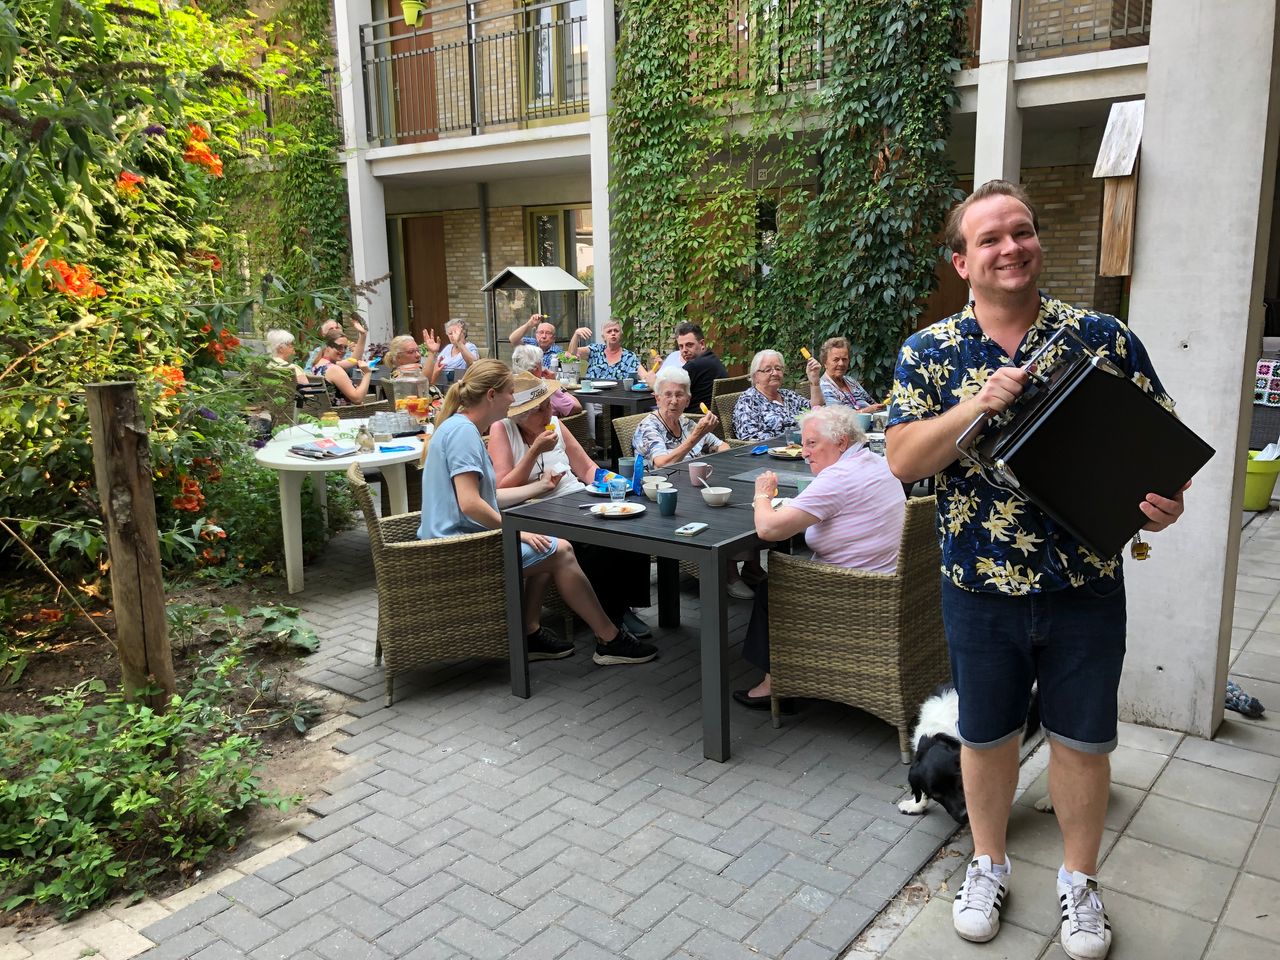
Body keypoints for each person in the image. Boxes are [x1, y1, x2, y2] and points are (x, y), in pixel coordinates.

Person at [884, 179, 1187, 960]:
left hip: (1085, 586)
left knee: (1084, 742)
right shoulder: (930, 352)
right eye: (989, 239)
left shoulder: (1102, 337)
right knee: (986, 739)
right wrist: (975, 407)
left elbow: (1162, 446)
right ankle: (987, 865)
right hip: (978, 588)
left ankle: (1080, 885)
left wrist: (1163, 501)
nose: (1010, 247)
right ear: (962, 261)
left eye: (1021, 231)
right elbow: (902, 459)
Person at [419, 359, 657, 665]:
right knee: (561, 551)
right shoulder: (465, 433)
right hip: (459, 546)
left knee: (548, 544)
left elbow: (483, 498)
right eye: (509, 392)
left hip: (450, 537)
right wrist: (518, 531)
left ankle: (531, 633)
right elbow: (470, 503)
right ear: (491, 395)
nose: (512, 399)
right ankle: (609, 638)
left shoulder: (457, 427)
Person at [735, 405, 905, 707]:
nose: (804, 452)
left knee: (771, 588)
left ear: (841, 442)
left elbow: (768, 529)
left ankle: (778, 685)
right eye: (803, 444)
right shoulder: (877, 461)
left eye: (812, 443)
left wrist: (763, 493)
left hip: (855, 593)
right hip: (891, 582)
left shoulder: (839, 477)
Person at [488, 370, 653, 639]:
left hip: (577, 498)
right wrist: (534, 452)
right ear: (519, 416)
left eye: (548, 404)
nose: (549, 412)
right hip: (541, 510)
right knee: (596, 541)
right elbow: (502, 487)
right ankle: (613, 614)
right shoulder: (502, 430)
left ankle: (625, 606)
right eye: (539, 409)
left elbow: (587, 468)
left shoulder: (554, 423)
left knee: (633, 522)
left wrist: (620, 484)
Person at [632, 367, 759, 598]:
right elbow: (662, 464)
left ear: (688, 399)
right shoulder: (649, 426)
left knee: (743, 499)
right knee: (721, 510)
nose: (673, 400)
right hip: (661, 498)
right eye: (667, 394)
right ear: (657, 397)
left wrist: (705, 445)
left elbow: (724, 447)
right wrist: (694, 439)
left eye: (679, 395)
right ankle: (730, 574)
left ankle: (751, 566)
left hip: (692, 489)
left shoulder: (688, 423)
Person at [732, 349, 824, 441]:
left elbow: (815, 409)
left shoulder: (788, 395)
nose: (775, 373)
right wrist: (788, 441)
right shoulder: (748, 401)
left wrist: (814, 380)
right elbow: (749, 437)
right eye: (768, 370)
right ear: (755, 376)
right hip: (771, 451)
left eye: (778, 369)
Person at [639, 321, 728, 410]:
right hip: (713, 417)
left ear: (702, 344)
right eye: (681, 346)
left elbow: (668, 393)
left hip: (692, 418)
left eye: (689, 345)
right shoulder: (712, 359)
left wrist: (653, 383)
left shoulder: (694, 365)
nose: (684, 350)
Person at [511, 344, 581, 417]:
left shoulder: (510, 387)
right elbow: (576, 408)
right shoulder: (544, 389)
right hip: (547, 426)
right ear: (536, 368)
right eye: (541, 363)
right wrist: (556, 386)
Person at [817, 336, 882, 411]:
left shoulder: (851, 381)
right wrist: (865, 411)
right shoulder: (824, 387)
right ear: (825, 362)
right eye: (836, 360)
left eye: (844, 359)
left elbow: (872, 403)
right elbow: (837, 417)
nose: (841, 363)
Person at [567, 319, 640, 381]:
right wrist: (576, 335)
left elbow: (644, 376)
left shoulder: (629, 357)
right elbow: (572, 354)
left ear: (621, 335)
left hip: (619, 396)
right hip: (593, 395)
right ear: (603, 337)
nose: (613, 333)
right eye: (609, 331)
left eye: (616, 331)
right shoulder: (595, 350)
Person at [311, 331, 372, 405]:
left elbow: (354, 360)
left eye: (345, 347)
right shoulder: (334, 369)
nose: (343, 351)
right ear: (327, 346)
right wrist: (367, 373)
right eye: (339, 347)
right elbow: (357, 399)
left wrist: (363, 335)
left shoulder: (319, 364)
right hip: (345, 414)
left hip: (329, 414)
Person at [424, 319, 479, 384]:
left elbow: (474, 364)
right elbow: (435, 366)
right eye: (450, 333)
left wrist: (459, 342)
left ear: (464, 333)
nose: (453, 336)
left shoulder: (470, 347)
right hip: (441, 383)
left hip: (462, 384)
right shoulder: (448, 348)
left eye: (456, 333)